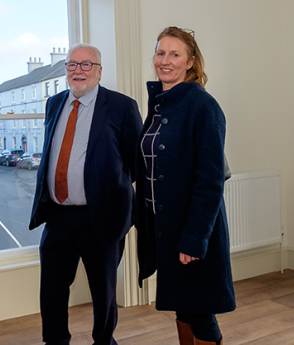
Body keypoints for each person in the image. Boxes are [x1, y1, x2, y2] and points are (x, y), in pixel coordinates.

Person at [29, 43, 142, 345]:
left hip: (101, 218)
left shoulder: (121, 106)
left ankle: (104, 342)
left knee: (103, 292)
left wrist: (116, 197)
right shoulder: (54, 104)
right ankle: (55, 341)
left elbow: (137, 165)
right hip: (58, 217)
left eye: (86, 64)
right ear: (65, 70)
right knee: (51, 290)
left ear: (99, 71)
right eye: (72, 65)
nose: (78, 70)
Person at [135, 27, 235, 345]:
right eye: (160, 53)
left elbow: (210, 181)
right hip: (166, 226)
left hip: (192, 229)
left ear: (190, 62)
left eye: (174, 54)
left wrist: (193, 239)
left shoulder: (203, 107)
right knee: (183, 306)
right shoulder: (161, 105)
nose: (165, 60)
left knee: (200, 310)